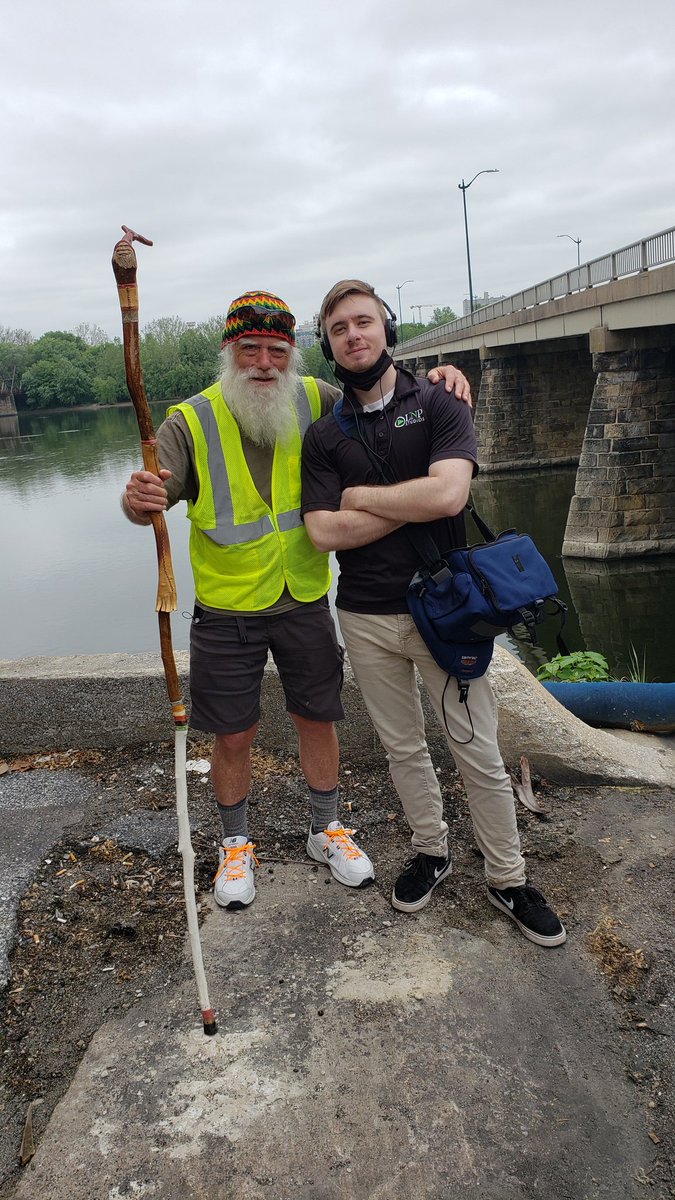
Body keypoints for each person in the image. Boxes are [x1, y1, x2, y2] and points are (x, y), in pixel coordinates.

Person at [121, 290, 470, 912]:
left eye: (276, 350)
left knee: (319, 718)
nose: (263, 362)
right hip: (227, 610)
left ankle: (325, 828)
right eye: (248, 349)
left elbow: (385, 401)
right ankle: (235, 844)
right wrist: (137, 499)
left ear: (292, 355)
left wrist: (436, 382)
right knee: (232, 733)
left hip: (305, 597)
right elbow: (149, 494)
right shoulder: (191, 421)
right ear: (229, 353)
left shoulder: (316, 400)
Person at [301, 279, 566, 947]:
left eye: (364, 322)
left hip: (447, 613)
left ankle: (507, 877)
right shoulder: (323, 435)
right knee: (401, 748)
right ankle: (431, 849)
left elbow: (448, 497)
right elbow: (322, 534)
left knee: (476, 749)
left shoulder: (440, 400)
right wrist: (400, 502)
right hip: (364, 615)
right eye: (339, 329)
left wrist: (359, 497)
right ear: (327, 343)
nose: (354, 336)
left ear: (386, 328)